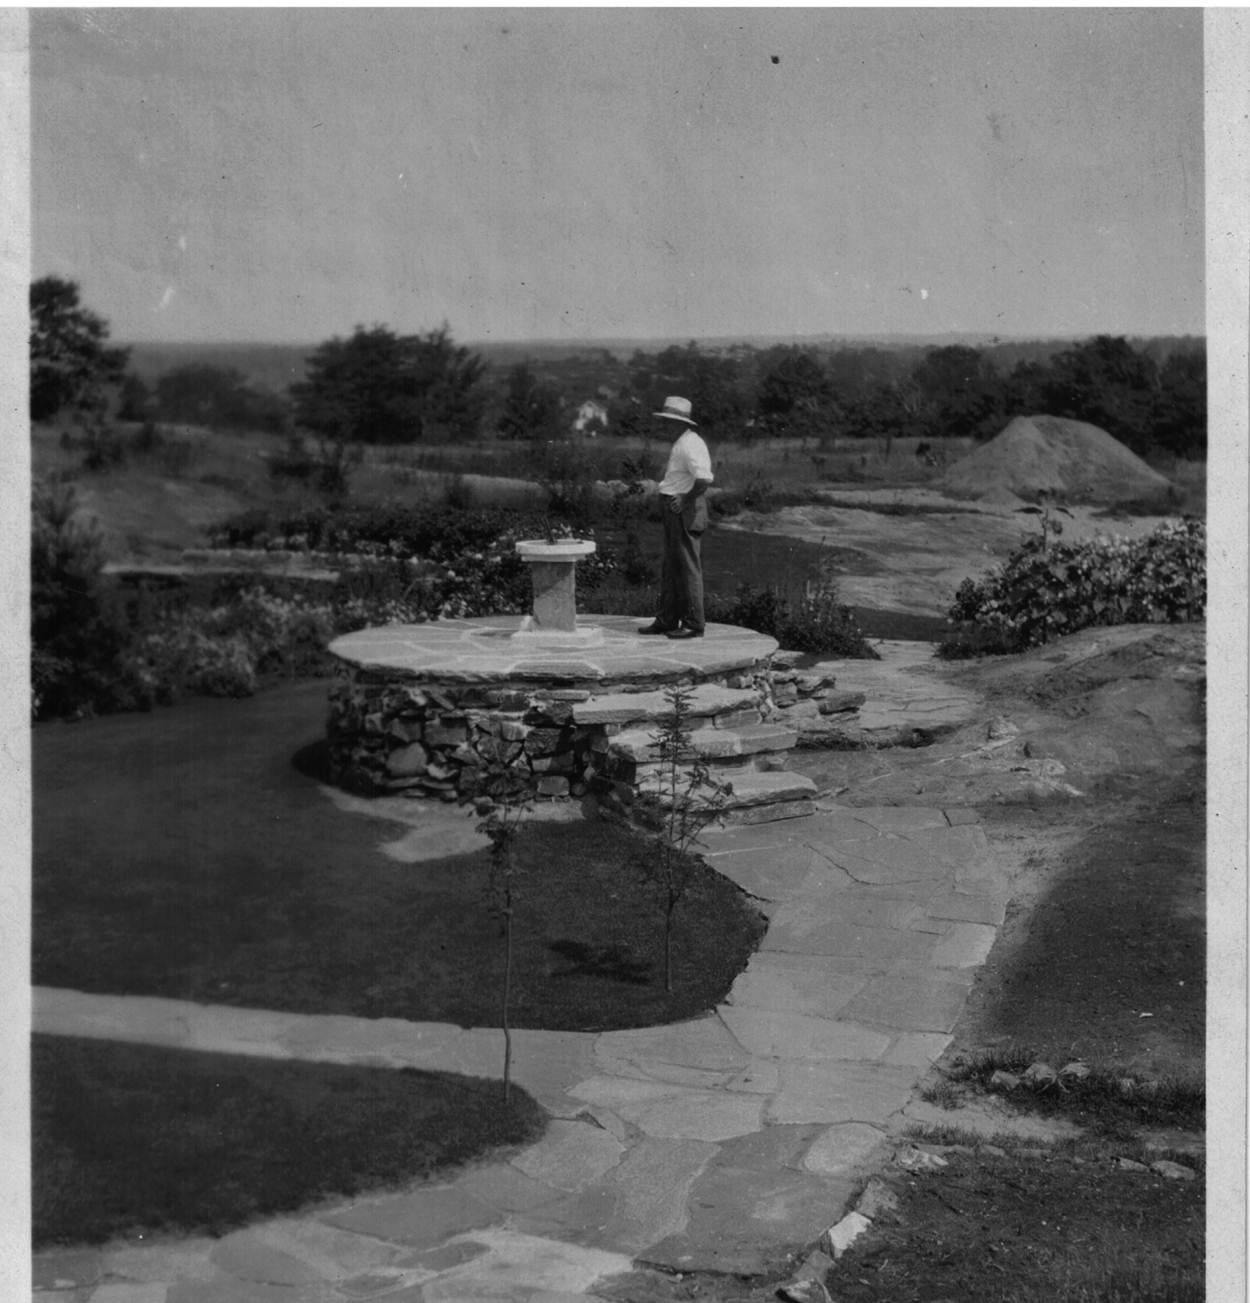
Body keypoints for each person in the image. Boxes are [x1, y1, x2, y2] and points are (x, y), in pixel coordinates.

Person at [637, 395, 713, 639]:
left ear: (681, 422)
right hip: (674, 507)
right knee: (672, 566)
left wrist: (685, 499)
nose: (665, 426)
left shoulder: (690, 443)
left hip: (684, 508)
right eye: (665, 421)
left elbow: (704, 479)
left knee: (688, 566)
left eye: (669, 421)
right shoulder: (682, 442)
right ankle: (668, 619)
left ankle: (693, 623)